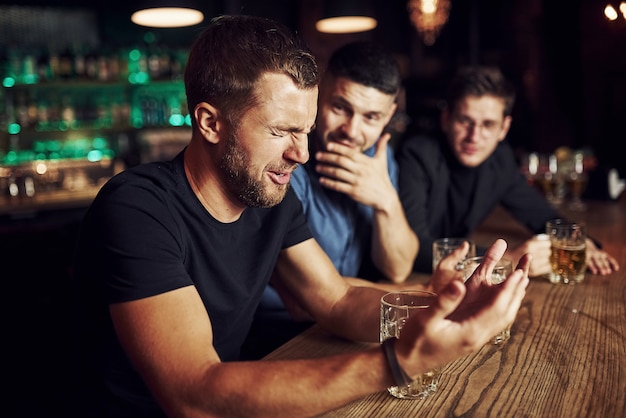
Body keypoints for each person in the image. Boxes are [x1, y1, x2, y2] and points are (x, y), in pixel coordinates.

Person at [69, 16, 530, 418]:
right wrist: (397, 361)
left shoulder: (270, 198)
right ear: (210, 123)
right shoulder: (137, 209)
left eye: (306, 131)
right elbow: (193, 396)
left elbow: (336, 302)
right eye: (282, 131)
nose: (302, 153)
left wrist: (444, 306)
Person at [244, 41, 419, 359]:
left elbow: (397, 267)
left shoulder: (377, 157)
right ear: (320, 93)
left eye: (371, 117)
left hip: (347, 328)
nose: (352, 130)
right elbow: (305, 301)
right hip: (275, 342)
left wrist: (386, 201)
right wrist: (422, 297)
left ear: (389, 115)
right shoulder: (284, 163)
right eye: (340, 108)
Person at [396, 65, 620, 276]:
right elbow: (413, 249)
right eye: (465, 121)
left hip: (456, 278)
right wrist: (505, 260)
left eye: (488, 124)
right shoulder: (417, 154)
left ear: (504, 128)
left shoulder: (500, 160)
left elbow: (541, 214)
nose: (474, 136)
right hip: (407, 282)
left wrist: (581, 242)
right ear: (446, 119)